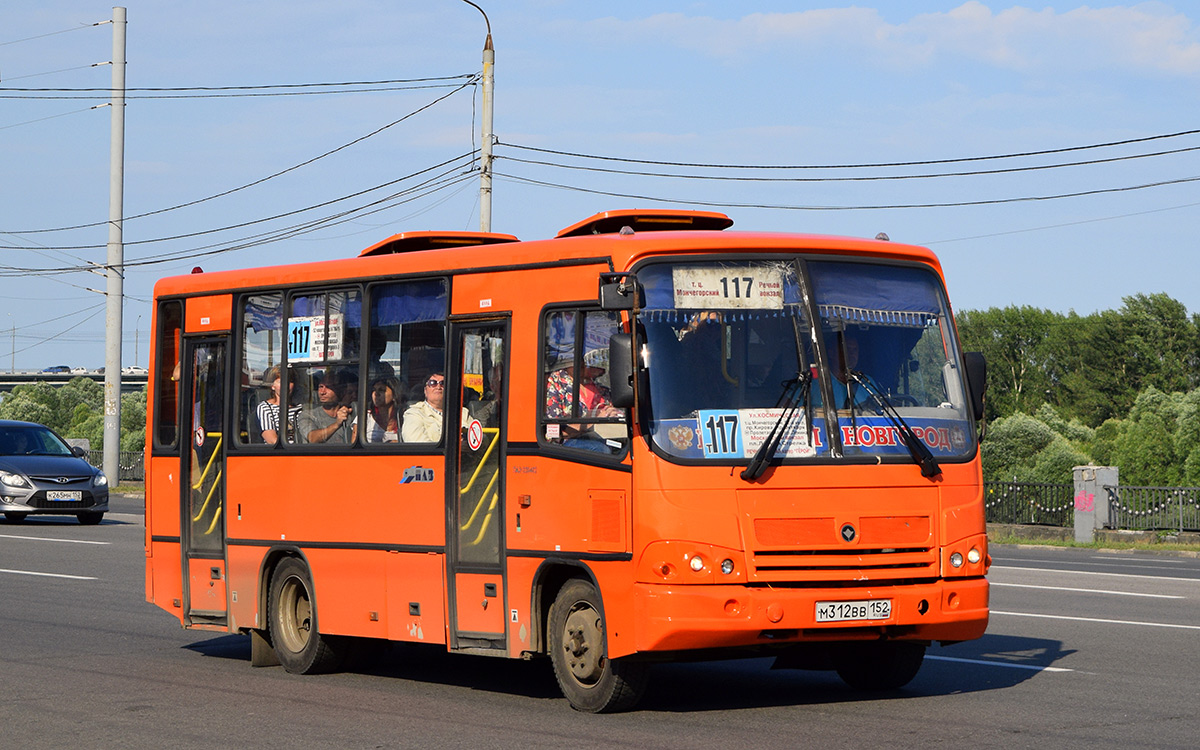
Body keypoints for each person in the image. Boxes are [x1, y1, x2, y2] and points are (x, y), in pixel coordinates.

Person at [545, 350, 622, 452]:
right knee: (601, 450)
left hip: (603, 438)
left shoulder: (599, 387)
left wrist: (614, 414)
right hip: (566, 445)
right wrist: (594, 421)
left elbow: (615, 409)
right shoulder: (556, 383)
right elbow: (552, 432)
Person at [298, 367, 355, 444]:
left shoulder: (350, 413)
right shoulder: (308, 415)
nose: (322, 392)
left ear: (341, 391)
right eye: (321, 387)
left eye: (328, 387)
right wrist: (337, 424)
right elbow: (313, 438)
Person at [256, 365, 301, 444]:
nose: (285, 385)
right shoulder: (265, 408)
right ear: (272, 386)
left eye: (289, 381)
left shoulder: (300, 407)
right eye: (280, 382)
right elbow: (272, 440)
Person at [402, 372, 447, 443]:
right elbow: (416, 443)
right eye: (432, 383)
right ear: (425, 391)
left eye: (443, 383)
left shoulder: (463, 413)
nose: (438, 387)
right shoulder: (414, 413)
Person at [365, 375, 402, 443]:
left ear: (394, 395)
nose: (376, 393)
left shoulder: (403, 418)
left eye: (382, 390)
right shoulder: (365, 418)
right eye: (374, 390)